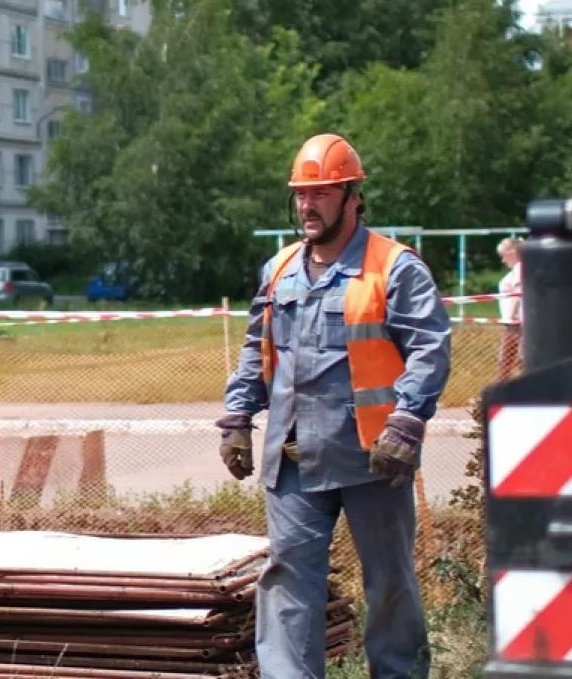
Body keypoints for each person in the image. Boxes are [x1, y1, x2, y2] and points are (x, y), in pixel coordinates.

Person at [217, 134, 453, 679]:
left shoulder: (394, 268)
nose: (308, 206)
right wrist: (236, 417)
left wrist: (408, 417)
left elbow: (429, 346)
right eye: (302, 194)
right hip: (295, 461)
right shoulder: (280, 271)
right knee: (288, 584)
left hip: (373, 459)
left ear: (352, 197)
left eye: (321, 193)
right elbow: (257, 348)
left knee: (389, 582)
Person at [495, 237, 524, 381]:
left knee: (516, 360)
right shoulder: (519, 268)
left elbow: (517, 292)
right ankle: (501, 391)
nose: (503, 261)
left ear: (512, 253)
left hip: (517, 324)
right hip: (515, 324)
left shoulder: (520, 268)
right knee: (506, 361)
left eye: (503, 256)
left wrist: (512, 316)